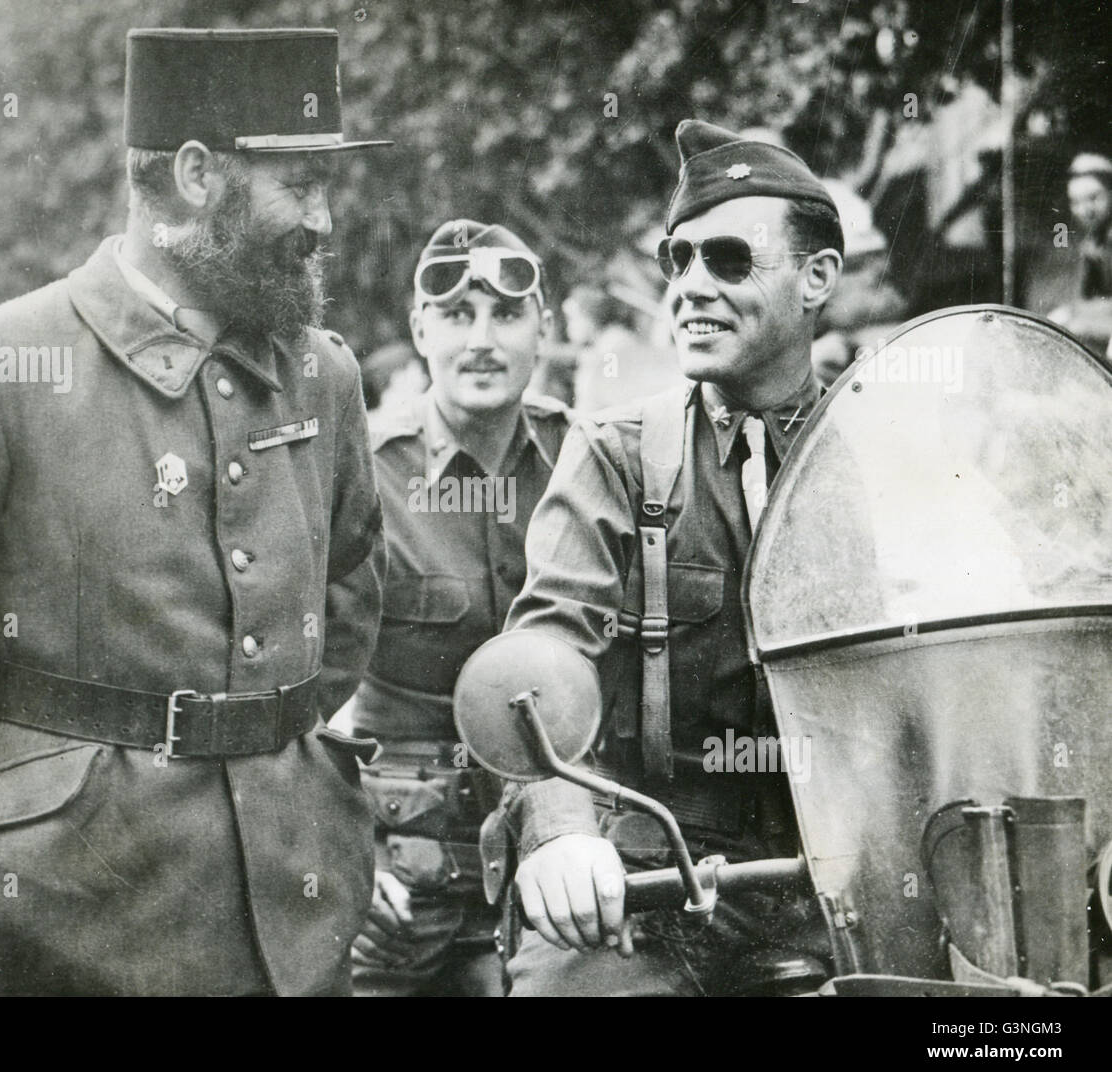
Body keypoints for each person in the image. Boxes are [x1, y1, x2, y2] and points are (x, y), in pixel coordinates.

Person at [0, 27, 391, 997]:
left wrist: (271, 779)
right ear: (196, 175)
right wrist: (18, 814)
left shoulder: (320, 373)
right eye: (300, 185)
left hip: (291, 934)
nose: (326, 220)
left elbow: (347, 589)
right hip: (59, 937)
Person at [493, 120, 845, 995]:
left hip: (844, 871)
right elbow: (547, 657)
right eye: (676, 261)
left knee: (1004, 1022)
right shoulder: (616, 453)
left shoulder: (875, 447)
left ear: (818, 278)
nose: (689, 288)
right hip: (653, 875)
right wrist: (565, 834)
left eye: (727, 260)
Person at [337, 220, 573, 996]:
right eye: (456, 316)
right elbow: (289, 689)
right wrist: (339, 855)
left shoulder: (588, 464)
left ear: (545, 327)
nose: (482, 340)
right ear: (418, 330)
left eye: (506, 315)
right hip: (401, 874)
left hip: (551, 854)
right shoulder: (366, 476)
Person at [566, 282, 679, 412]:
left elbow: (610, 396)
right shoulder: (599, 347)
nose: (569, 326)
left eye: (573, 318)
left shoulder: (614, 345)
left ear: (590, 316)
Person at [1049, 152, 1112, 355]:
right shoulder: (1092, 244)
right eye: (1076, 202)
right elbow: (1089, 298)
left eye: (1094, 198)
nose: (1086, 210)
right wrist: (1069, 313)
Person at [360, 340, 429, 430]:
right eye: (418, 371)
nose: (425, 379)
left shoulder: (367, 423)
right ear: (398, 377)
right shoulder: (372, 426)